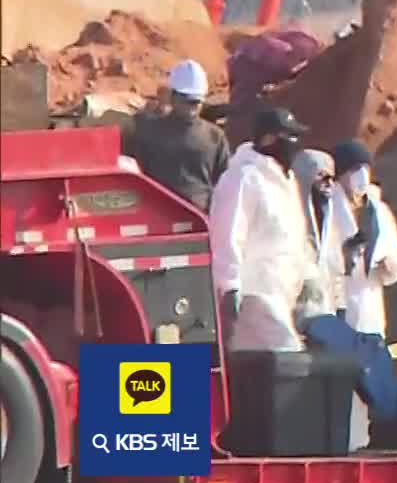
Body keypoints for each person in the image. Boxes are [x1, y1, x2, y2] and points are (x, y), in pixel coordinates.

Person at [207, 106, 325, 352]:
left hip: (284, 297)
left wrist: (309, 275)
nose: (295, 144)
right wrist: (229, 286)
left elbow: (295, 235)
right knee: (287, 364)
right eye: (290, 137)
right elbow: (227, 235)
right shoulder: (243, 178)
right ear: (269, 139)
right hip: (255, 296)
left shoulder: (286, 181)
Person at [124, 59, 231, 212]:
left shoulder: (216, 137)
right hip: (158, 217)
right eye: (187, 101)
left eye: (196, 102)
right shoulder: (148, 132)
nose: (191, 108)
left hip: (200, 220)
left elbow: (224, 183)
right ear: (172, 97)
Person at [322, 140, 397, 339]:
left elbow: (394, 256)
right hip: (338, 310)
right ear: (340, 175)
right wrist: (345, 256)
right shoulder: (327, 209)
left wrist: (390, 267)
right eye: (355, 168)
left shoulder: (379, 212)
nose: (362, 174)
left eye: (366, 167)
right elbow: (321, 258)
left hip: (371, 314)